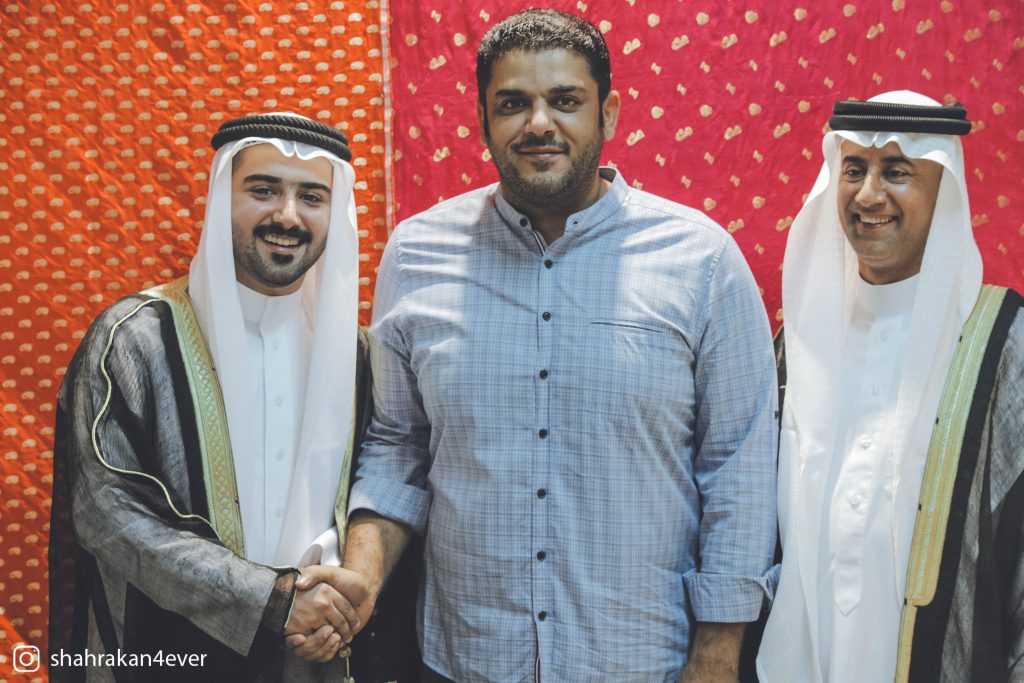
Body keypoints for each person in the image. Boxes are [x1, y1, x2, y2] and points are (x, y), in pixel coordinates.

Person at [339, 9, 778, 681]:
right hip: (466, 656)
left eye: (566, 100)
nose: (539, 123)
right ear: (483, 119)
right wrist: (360, 579)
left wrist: (718, 655)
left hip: (640, 661)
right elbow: (399, 443)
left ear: (609, 114)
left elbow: (737, 464)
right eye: (513, 103)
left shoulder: (701, 260)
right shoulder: (417, 253)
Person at [48, 113, 417, 682]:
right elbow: (106, 510)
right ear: (223, 197)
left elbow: (389, 479)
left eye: (311, 197)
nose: (287, 216)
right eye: (263, 190)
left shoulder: (359, 357)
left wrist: (337, 600)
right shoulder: (134, 339)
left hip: (317, 657)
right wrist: (270, 600)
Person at [756, 91, 1024, 682]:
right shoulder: (796, 343)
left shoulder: (1003, 346)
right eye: (854, 169)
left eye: (897, 171)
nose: (868, 194)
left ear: (944, 189)